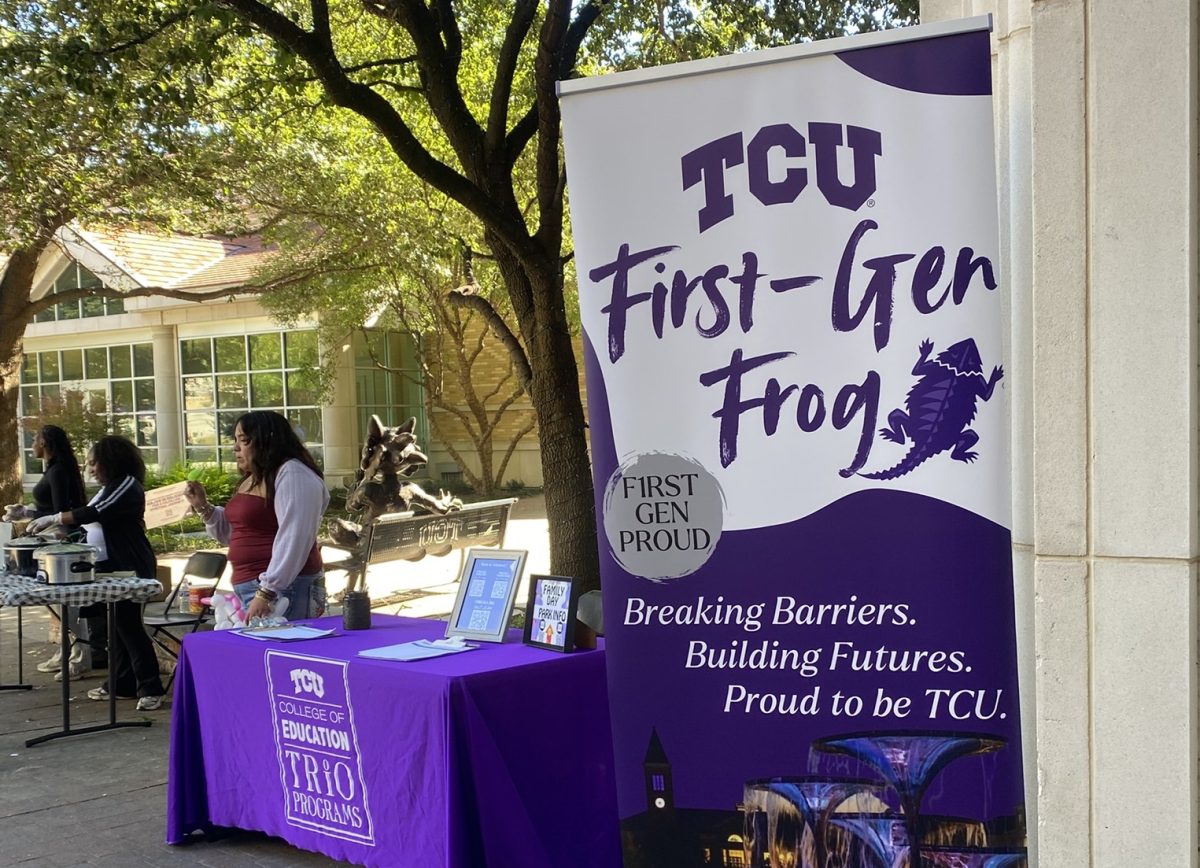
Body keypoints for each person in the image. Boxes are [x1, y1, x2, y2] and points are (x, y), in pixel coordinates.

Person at [28, 435, 167, 711]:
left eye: (93, 463)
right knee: (114, 625)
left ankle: (151, 687)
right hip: (109, 566)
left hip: (130, 567)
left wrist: (55, 518)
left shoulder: (127, 484)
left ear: (111, 461)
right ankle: (122, 684)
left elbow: (94, 512)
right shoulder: (109, 487)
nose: (90, 469)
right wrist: (58, 530)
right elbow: (89, 523)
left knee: (129, 626)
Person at [184, 410, 329, 622]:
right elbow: (237, 533)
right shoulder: (254, 478)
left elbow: (295, 537)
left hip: (285, 589)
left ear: (266, 441)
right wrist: (203, 506)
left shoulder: (293, 474)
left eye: (244, 440)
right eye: (235, 440)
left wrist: (267, 591)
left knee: (283, 651)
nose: (235, 448)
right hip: (256, 586)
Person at [7, 426, 93, 677]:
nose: (32, 443)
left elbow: (60, 512)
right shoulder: (55, 469)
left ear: (44, 442)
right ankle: (66, 651)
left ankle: (79, 657)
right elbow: (52, 510)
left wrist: (31, 516)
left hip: (61, 543)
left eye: (34, 438)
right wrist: (26, 512)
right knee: (57, 602)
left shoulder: (58, 471)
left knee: (68, 601)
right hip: (53, 539)